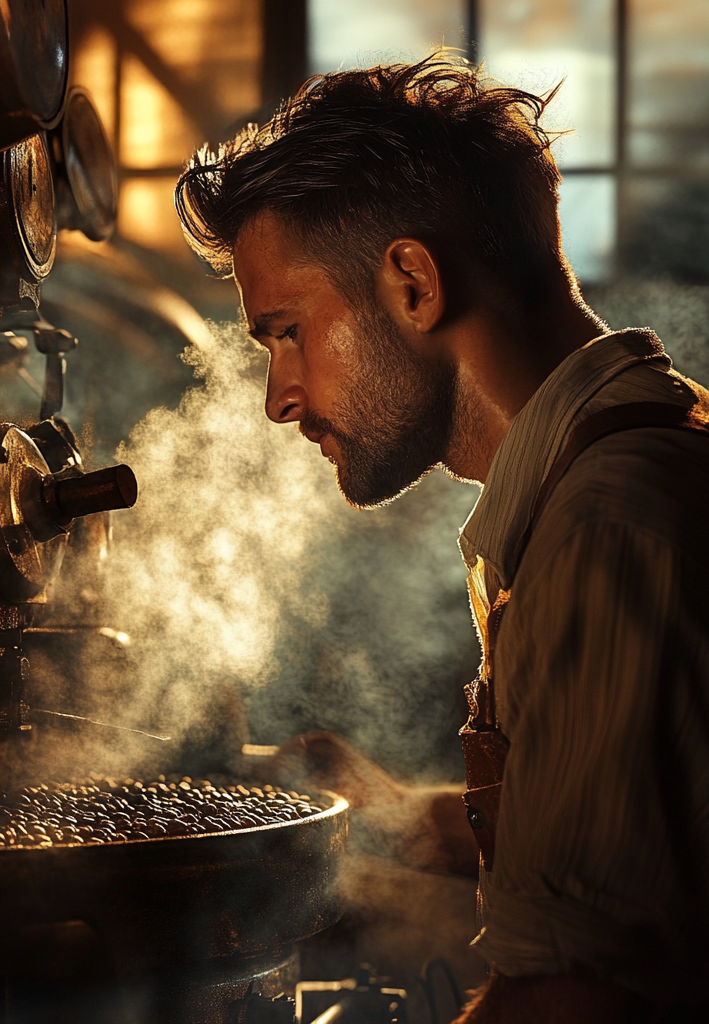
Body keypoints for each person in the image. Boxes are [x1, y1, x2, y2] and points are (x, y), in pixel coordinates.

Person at [174, 57, 709, 1022]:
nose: (277, 398)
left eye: (288, 331)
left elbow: (572, 999)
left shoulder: (610, 529)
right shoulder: (615, 476)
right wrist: (398, 820)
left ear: (414, 284)